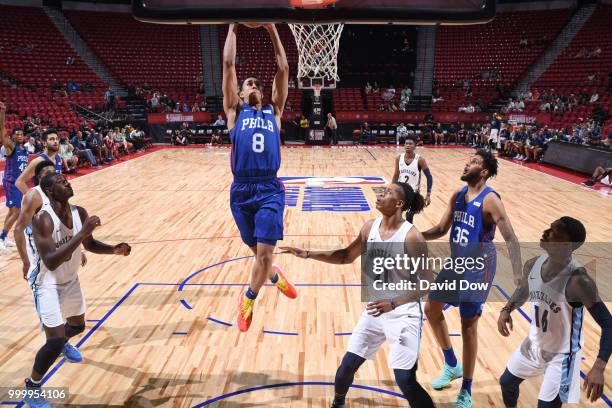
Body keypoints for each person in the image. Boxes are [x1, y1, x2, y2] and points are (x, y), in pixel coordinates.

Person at [281, 182, 435, 408]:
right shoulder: (369, 228)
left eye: (388, 193)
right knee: (346, 368)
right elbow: (345, 256)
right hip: (374, 310)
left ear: (399, 204)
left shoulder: (411, 237)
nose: (381, 195)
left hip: (403, 313)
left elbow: (426, 282)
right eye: (382, 192)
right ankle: (338, 403)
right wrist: (307, 253)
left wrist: (393, 303)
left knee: (405, 381)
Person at [422, 150, 522, 408]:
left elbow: (510, 237)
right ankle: (451, 364)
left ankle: (466, 388)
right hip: (457, 262)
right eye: (468, 161)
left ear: (484, 171)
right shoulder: (457, 196)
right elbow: (441, 229)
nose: (468, 164)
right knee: (431, 309)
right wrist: (415, 235)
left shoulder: (491, 200)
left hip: (479, 266)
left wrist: (518, 273)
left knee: (468, 325)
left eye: (474, 162)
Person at [23, 173, 131, 408]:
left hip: (70, 279)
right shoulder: (43, 218)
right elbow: (51, 261)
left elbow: (89, 244)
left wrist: (114, 249)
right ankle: (32, 387)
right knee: (54, 340)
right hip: (46, 282)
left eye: (66, 180)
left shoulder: (79, 212)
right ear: (50, 191)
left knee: (78, 325)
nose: (68, 183)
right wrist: (82, 233)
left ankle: (62, 344)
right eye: (62, 182)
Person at [223, 23, 296, 332]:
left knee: (263, 254)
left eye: (257, 84)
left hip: (268, 188)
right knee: (259, 255)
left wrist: (271, 28)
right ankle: (274, 275)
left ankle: (249, 299)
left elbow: (283, 68)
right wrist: (233, 25)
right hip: (241, 191)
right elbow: (228, 64)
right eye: (248, 84)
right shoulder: (234, 112)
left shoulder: (274, 111)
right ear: (240, 93)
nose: (254, 86)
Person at [498, 217, 610, 407]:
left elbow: (608, 324)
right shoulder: (533, 264)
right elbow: (524, 289)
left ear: (566, 245)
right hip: (534, 344)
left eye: (553, 231)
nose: (545, 232)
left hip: (563, 355)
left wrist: (599, 367)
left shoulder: (578, 281)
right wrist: (507, 309)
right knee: (506, 383)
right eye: (549, 227)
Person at [14, 161, 61, 281]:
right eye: (48, 172)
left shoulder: (56, 192)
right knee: (43, 283)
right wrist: (25, 261)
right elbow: (18, 229)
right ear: (40, 176)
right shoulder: (33, 196)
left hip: (56, 241)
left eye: (54, 172)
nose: (53, 175)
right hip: (38, 246)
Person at [1, 102, 29, 250]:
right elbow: (3, 133)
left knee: (13, 211)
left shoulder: (24, 150)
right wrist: (2, 114)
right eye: (16, 134)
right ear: (12, 137)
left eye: (21, 134)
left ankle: (3, 238)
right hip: (11, 182)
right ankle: (1, 239)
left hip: (19, 184)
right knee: (17, 211)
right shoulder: (11, 147)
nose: (19, 136)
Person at [392, 134, 433, 222]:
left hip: (413, 193)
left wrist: (428, 195)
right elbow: (396, 175)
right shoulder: (399, 158)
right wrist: (391, 189)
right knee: (395, 214)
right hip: (401, 191)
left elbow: (429, 177)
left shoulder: (420, 160)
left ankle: (408, 233)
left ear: (415, 146)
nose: (407, 145)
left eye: (410, 144)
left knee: (409, 216)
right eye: (406, 143)